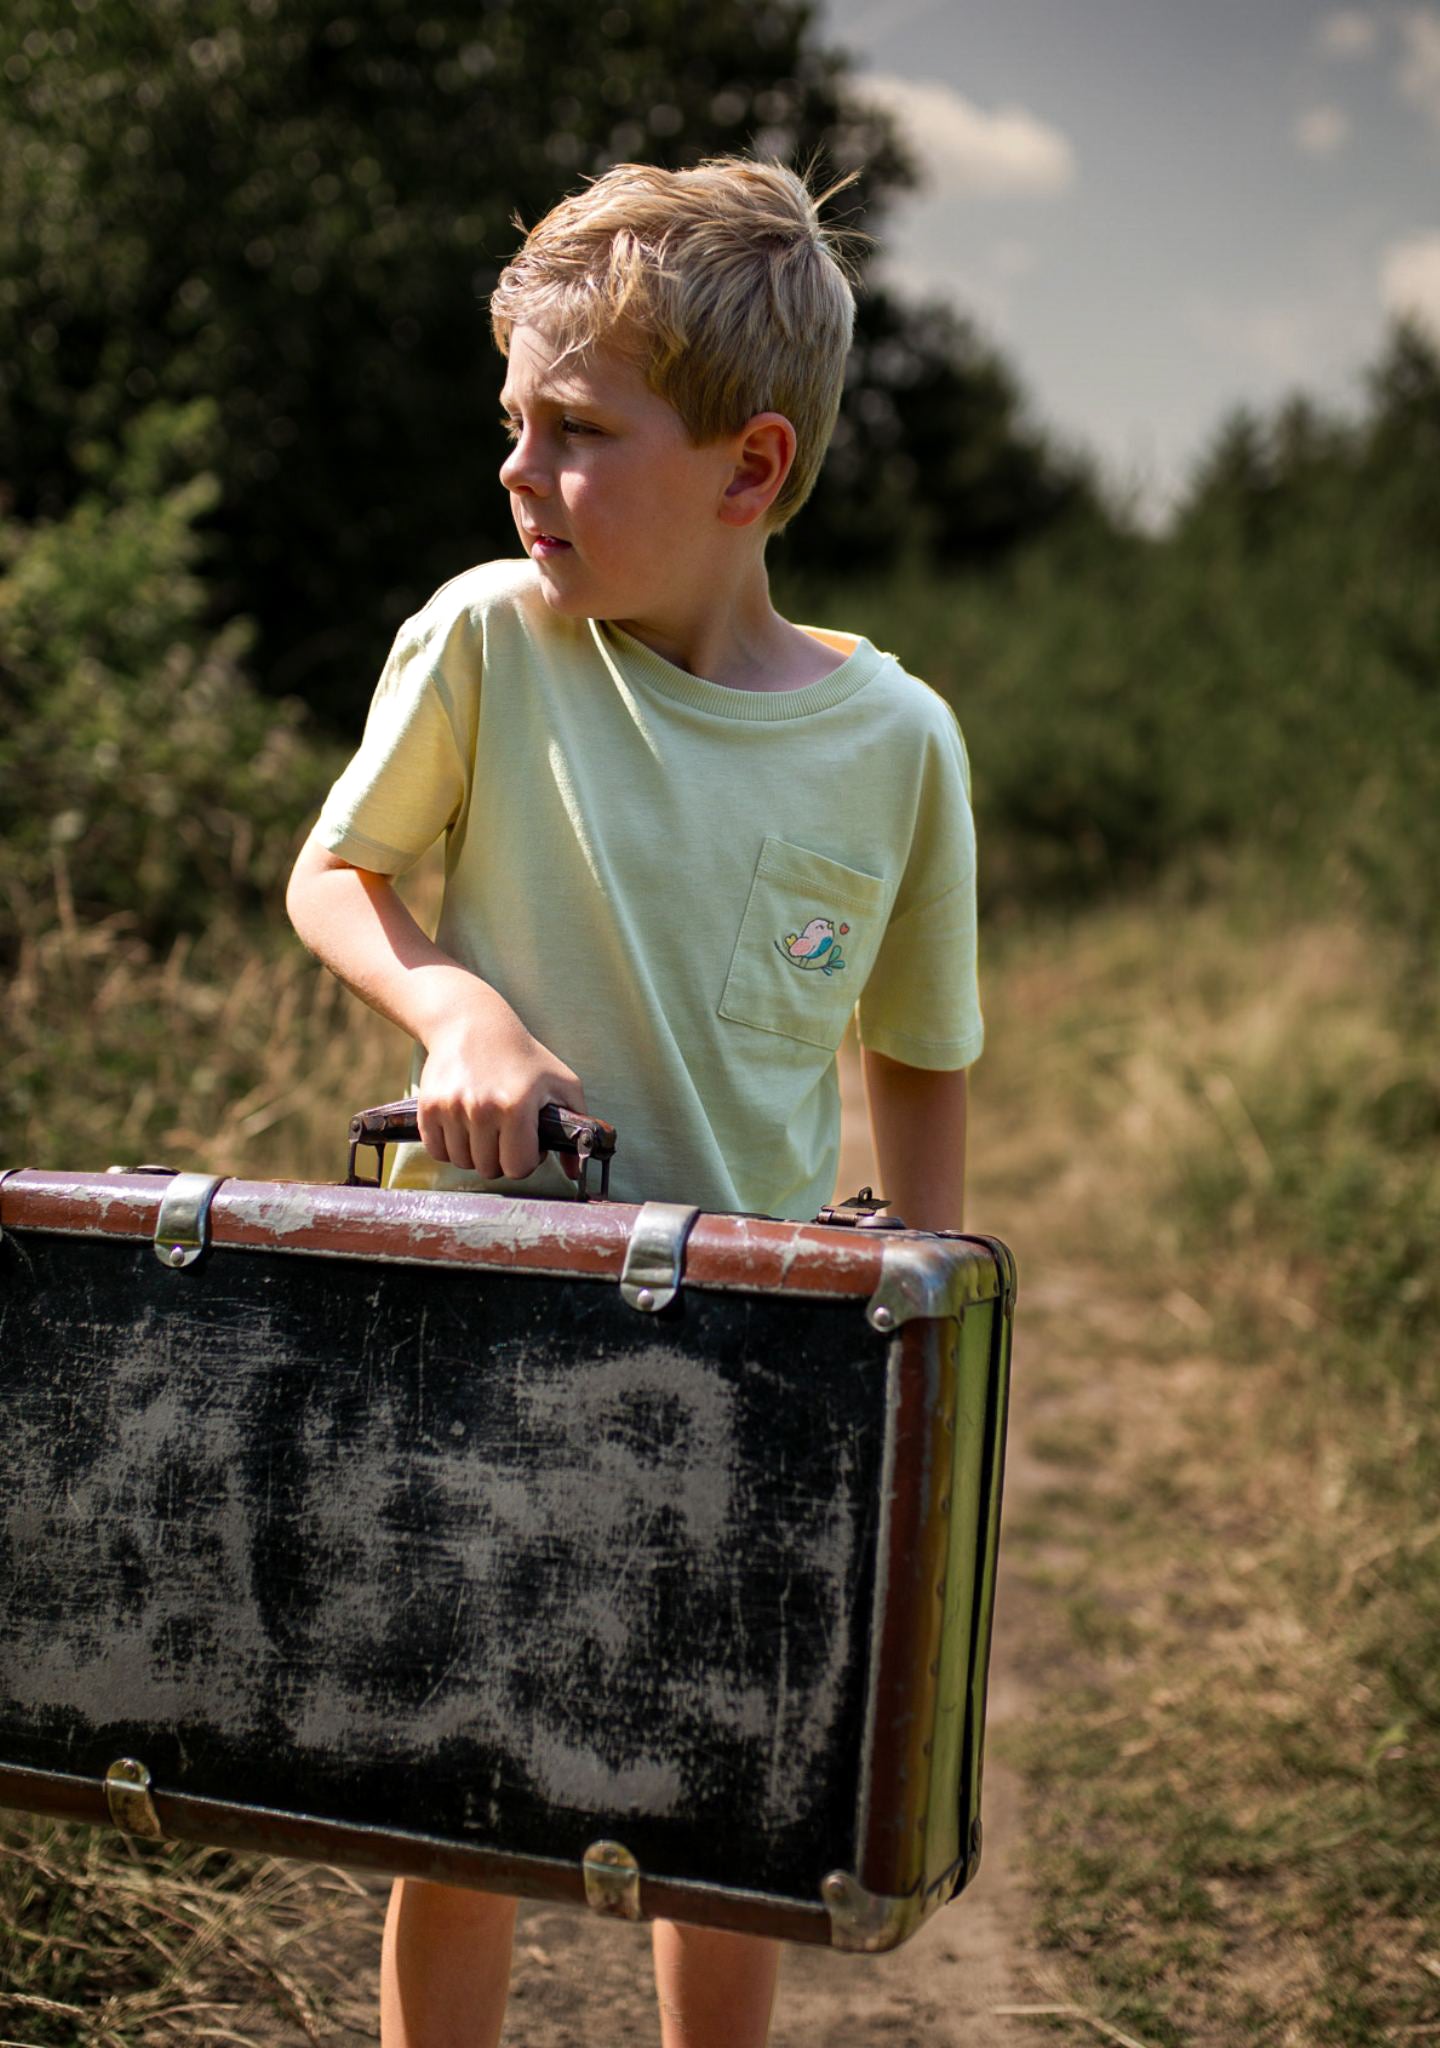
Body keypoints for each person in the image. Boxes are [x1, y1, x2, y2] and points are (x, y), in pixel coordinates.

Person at [286, 153, 983, 2048]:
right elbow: (335, 874)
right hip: (485, 1323)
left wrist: (924, 1323)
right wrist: (460, 1014)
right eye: (510, 422)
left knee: (714, 1802)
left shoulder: (896, 744)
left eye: (579, 431)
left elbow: (919, 1045)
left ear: (752, 467)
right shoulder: (486, 640)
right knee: (463, 1797)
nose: (520, 474)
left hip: (745, 1358)